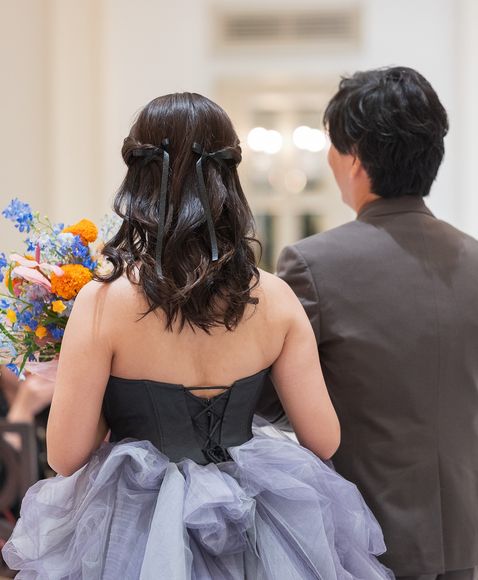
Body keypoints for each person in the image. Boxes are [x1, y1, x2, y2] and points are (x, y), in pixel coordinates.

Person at [2, 93, 394, 579]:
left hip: (131, 529)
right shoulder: (275, 298)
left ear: (138, 178)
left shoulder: (101, 303)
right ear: (229, 177)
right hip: (256, 524)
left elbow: (66, 456)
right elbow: (324, 438)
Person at [258, 67, 478, 580]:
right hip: (463, 532)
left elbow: (274, 399)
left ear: (354, 158)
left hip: (365, 531)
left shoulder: (311, 265)